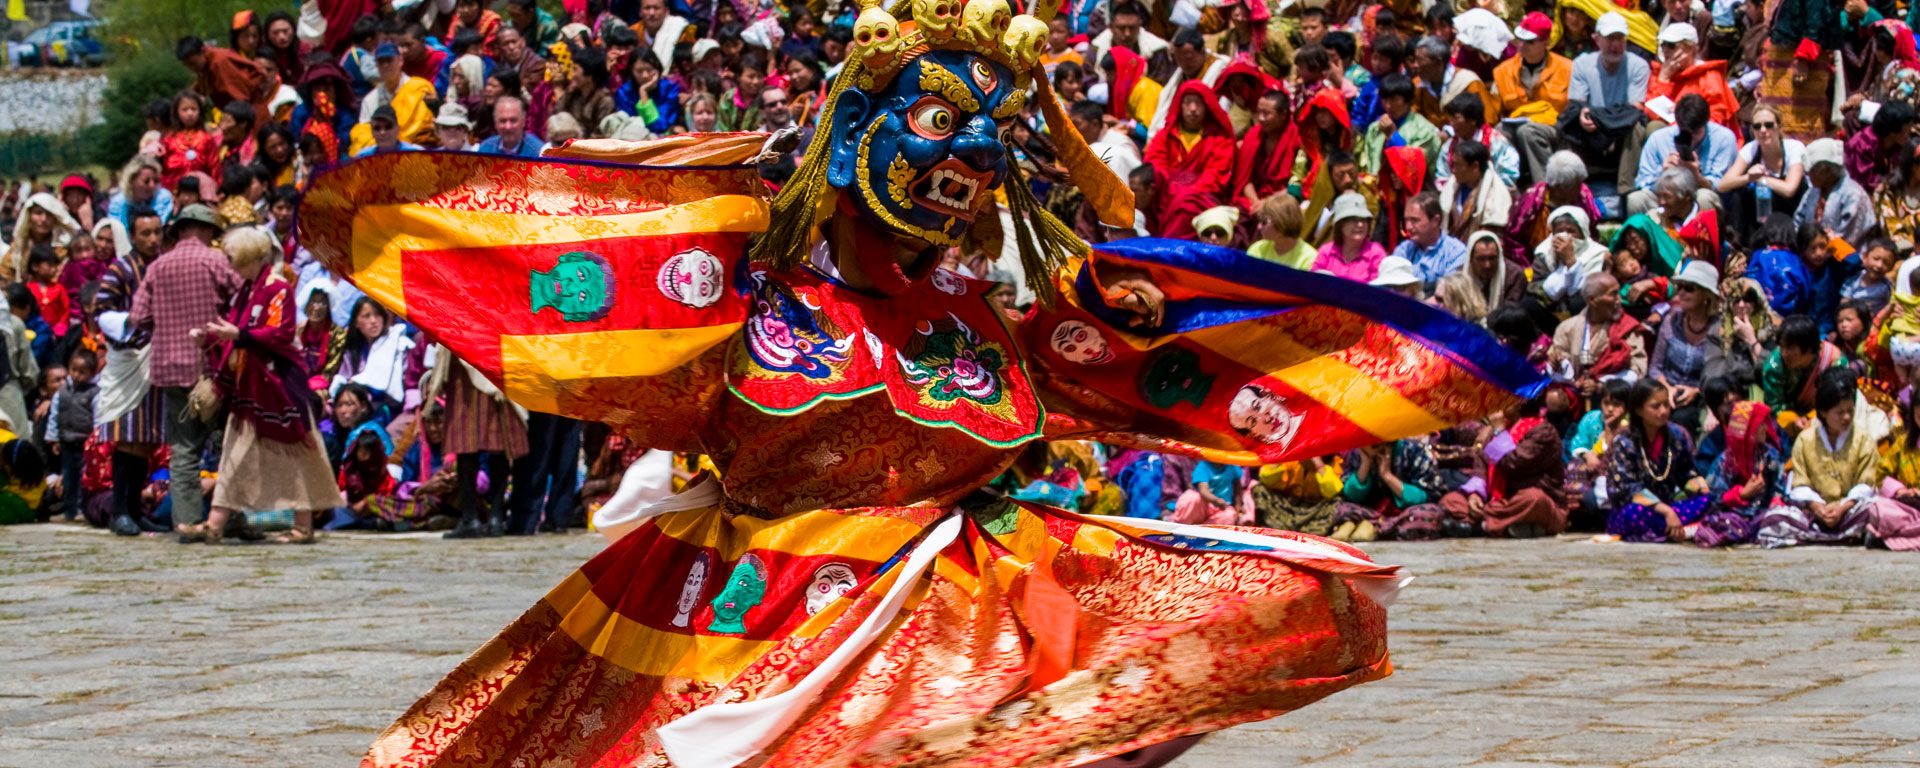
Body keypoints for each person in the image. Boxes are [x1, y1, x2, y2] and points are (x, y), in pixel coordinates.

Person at [305, 19, 1539, 763]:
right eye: (941, 122)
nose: (975, 159)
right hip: (763, 608)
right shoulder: (745, 289)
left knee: (1263, 606)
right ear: (852, 140)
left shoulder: (984, 309)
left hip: (955, 592)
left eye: (993, 134)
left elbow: (1157, 373)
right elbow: (577, 290)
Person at [181, 228, 342, 545]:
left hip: (281, 385)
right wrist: (210, 339)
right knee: (233, 452)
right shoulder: (246, 289)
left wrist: (236, 336)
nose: (232, 266)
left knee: (299, 455)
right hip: (250, 384)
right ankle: (215, 522)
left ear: (253, 258)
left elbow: (279, 334)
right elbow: (235, 329)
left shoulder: (278, 288)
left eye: (235, 259)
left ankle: (303, 525)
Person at [129, 204, 242, 543]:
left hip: (170, 368)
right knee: (228, 447)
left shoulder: (157, 266)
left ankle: (188, 523)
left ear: (179, 230)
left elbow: (137, 316)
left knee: (183, 449)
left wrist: (166, 322)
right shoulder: (216, 261)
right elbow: (242, 300)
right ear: (206, 230)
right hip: (214, 369)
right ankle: (230, 521)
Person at [93, 208, 170, 537]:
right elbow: (101, 309)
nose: (153, 239)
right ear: (134, 237)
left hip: (158, 359)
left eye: (157, 232)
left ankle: (135, 512)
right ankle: (120, 511)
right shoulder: (121, 269)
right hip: (130, 357)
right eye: (146, 234)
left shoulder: (165, 266)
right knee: (126, 437)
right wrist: (130, 322)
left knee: (145, 439)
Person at [1753, 369, 1879, 547]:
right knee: (1775, 518)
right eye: (1839, 412)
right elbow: (1799, 483)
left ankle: (1824, 535)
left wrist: (1842, 507)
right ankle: (1839, 536)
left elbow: (1867, 483)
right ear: (1823, 412)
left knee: (1874, 510)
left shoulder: (1863, 439)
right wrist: (1818, 507)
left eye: (1850, 411)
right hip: (1815, 513)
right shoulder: (1806, 440)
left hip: (1849, 511)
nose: (1846, 417)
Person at [1605, 379, 1712, 542]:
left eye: (1666, 405)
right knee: (1633, 514)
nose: (1663, 411)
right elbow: (1628, 490)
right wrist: (1667, 512)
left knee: (1711, 501)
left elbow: (1687, 473)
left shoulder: (1676, 435)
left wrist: (1703, 489)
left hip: (1668, 505)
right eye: (1656, 406)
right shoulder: (1624, 442)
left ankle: (1673, 530)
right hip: (1638, 509)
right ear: (1639, 410)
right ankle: (1681, 530)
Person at [1562, 12, 1651, 185]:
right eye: (1610, 38)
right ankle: (1570, 186)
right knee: (1569, 121)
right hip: (1592, 128)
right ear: (1597, 39)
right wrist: (1582, 115)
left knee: (1637, 127)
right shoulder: (1582, 63)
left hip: (1621, 128)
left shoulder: (1638, 65)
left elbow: (1635, 108)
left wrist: (1596, 115)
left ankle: (1627, 188)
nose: (1615, 45)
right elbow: (1576, 104)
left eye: (1620, 38)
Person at [1143, 81, 1236, 240]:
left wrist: (1184, 193)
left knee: (1186, 205)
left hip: (1200, 197)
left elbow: (1215, 175)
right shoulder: (1165, 135)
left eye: (1198, 103)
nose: (1193, 109)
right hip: (1166, 193)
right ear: (1179, 105)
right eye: (1188, 103)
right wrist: (1170, 189)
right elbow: (1155, 163)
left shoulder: (1220, 139)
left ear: (1207, 106)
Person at [1493, 12, 1574, 180]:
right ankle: (1507, 187)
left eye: (1529, 42)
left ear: (1546, 43)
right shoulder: (1503, 71)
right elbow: (1494, 112)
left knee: (1528, 131)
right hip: (1516, 127)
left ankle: (1545, 189)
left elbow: (1573, 109)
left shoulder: (1567, 69)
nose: (1521, 45)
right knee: (1498, 134)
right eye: (1519, 39)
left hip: (1555, 130)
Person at [1648, 261, 1729, 429]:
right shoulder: (1672, 320)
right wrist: (1667, 389)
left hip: (1701, 397)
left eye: (1689, 288)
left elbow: (1721, 376)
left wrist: (1696, 391)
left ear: (1706, 295)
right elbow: (1655, 367)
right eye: (1680, 287)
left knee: (1682, 418)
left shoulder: (1719, 329)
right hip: (1667, 390)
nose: (1682, 293)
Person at [1629, 94, 1734, 216]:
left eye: (1696, 132)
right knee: (1635, 200)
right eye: (1685, 132)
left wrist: (1696, 175)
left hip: (1696, 199)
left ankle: (1700, 235)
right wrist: (1663, 174)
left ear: (1706, 123)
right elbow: (1642, 182)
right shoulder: (1658, 139)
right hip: (1665, 198)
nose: (1691, 138)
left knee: (1704, 198)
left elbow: (1720, 188)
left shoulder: (1724, 139)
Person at [1550, 274, 1648, 396]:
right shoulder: (1567, 328)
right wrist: (1559, 363)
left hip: (1613, 398)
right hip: (1574, 394)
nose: (1619, 299)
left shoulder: (1627, 327)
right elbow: (1559, 356)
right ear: (1592, 300)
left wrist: (1601, 386)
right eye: (1613, 294)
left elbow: (1637, 369)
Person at [330, 297, 414, 409]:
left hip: (386, 407)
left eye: (377, 315)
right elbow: (344, 377)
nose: (373, 321)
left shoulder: (397, 343)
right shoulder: (353, 350)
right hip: (355, 406)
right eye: (366, 316)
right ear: (356, 323)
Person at [1761, 314, 1850, 417]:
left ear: (1809, 348)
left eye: (1790, 348)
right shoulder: (1774, 366)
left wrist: (1812, 418)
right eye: (1782, 346)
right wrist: (1793, 421)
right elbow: (1774, 406)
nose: (1784, 353)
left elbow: (1841, 401)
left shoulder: (1834, 362)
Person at [1796, 138, 1879, 249]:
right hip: (1812, 255)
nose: (1807, 176)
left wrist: (1819, 248)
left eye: (1811, 172)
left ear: (1826, 171)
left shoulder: (1853, 195)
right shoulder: (1813, 192)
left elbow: (1847, 238)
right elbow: (1798, 221)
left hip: (1845, 259)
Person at [1357, 74, 1442, 179]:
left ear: (1409, 101)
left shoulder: (1425, 130)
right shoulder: (1374, 128)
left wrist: (1393, 136)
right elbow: (1369, 165)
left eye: (1394, 100)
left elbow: (1415, 167)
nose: (1388, 106)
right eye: (1384, 100)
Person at [1391, 190, 1466, 293]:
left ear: (1436, 221)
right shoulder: (1403, 250)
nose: (1408, 227)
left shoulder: (1456, 252)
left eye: (1415, 220)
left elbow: (1449, 294)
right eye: (1406, 220)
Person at [1437, 139, 1511, 240]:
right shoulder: (1453, 187)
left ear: (1475, 166)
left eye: (1457, 165)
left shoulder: (1495, 195)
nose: (1452, 170)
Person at [1313, 192, 1387, 282]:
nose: (1360, 225)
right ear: (1340, 224)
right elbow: (1313, 283)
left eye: (1364, 220)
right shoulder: (1326, 252)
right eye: (1353, 220)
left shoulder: (1375, 253)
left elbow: (1379, 291)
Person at [1246, 193, 1314, 269]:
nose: (1259, 227)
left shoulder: (1309, 259)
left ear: (1282, 222)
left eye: (1264, 222)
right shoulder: (1257, 249)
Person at [475, 96, 547, 157]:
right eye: (503, 121)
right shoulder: (485, 149)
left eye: (513, 120)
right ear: (495, 123)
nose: (508, 127)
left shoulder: (539, 153)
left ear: (523, 121)